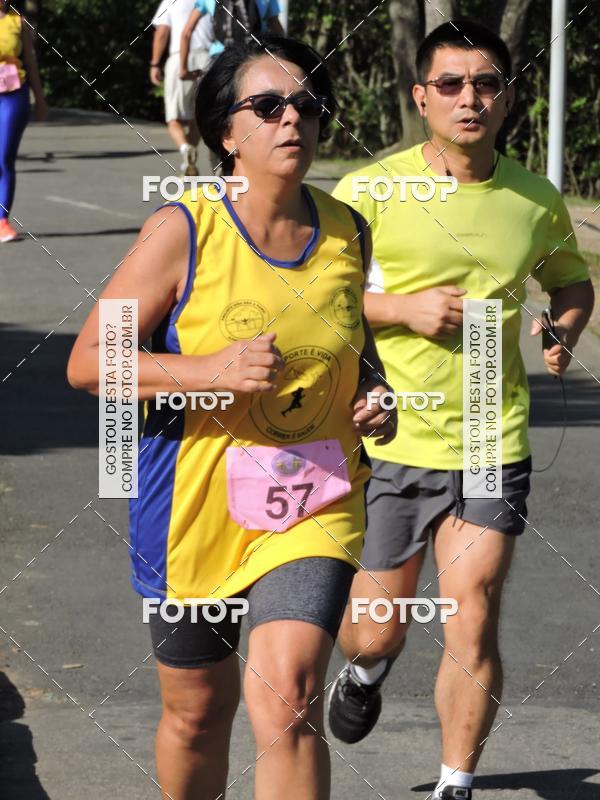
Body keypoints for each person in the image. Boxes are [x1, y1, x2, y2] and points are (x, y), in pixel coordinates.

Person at [67, 35, 396, 800]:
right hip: (194, 504)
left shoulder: (348, 230)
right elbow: (88, 363)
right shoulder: (182, 231)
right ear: (225, 133)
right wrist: (206, 371)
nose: (293, 120)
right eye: (269, 106)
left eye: (308, 105)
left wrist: (374, 395)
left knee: (289, 695)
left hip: (312, 496)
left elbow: (357, 350)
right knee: (196, 714)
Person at [329, 19, 594, 800]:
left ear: (507, 98)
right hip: (390, 436)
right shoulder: (370, 191)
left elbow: (570, 282)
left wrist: (563, 329)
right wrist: (402, 310)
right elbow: (315, 299)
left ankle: (456, 781)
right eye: (450, 84)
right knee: (373, 628)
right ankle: (367, 669)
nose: (469, 98)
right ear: (422, 98)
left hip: (489, 433)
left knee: (472, 610)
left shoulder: (535, 199)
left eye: (486, 83)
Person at [0, 0, 47, 243]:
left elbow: (30, 61)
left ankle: (2, 221)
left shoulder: (18, 22)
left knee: (4, 157)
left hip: (13, 95)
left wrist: (39, 99)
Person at [150, 0, 214, 175]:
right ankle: (189, 160)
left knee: (173, 118)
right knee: (198, 115)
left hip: (179, 58)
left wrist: (155, 63)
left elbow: (162, 32)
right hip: (207, 58)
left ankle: (185, 149)